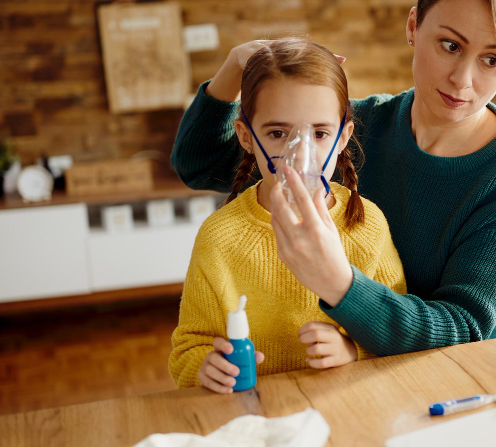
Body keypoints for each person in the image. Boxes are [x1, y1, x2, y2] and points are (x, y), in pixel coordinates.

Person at [171, 0, 496, 357]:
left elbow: (462, 326)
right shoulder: (347, 131)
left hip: (460, 378)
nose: (463, 79)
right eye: (450, 45)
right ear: (413, 25)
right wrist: (235, 68)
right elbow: (201, 165)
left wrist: (339, 284)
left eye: (492, 59)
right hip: (363, 372)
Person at [169, 38, 406, 393]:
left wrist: (352, 350)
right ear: (246, 137)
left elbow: (397, 332)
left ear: (343, 138)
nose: (301, 154)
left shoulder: (366, 225)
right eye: (278, 133)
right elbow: (189, 348)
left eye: (320, 133)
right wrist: (205, 367)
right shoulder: (220, 237)